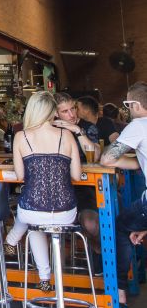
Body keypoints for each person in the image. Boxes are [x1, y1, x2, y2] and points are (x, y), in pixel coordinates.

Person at [4, 91, 82, 292]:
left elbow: (20, 175)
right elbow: (76, 175)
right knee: (36, 215)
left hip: (33, 209)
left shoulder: (21, 136)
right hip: (66, 211)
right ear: (52, 112)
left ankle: (44, 277)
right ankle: (15, 243)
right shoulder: (67, 135)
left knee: (33, 217)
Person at [100, 81, 147, 306]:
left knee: (120, 227)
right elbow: (140, 163)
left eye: (128, 104)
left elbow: (107, 159)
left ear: (136, 105)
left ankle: (119, 289)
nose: (127, 109)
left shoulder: (138, 125)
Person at [54, 92, 103, 269]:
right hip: (57, 189)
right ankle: (55, 275)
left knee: (91, 223)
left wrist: (78, 131)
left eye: (73, 108)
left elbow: (95, 156)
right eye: (65, 111)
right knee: (46, 225)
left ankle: (98, 251)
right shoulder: (50, 130)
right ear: (56, 114)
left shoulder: (87, 127)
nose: (72, 115)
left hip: (83, 188)